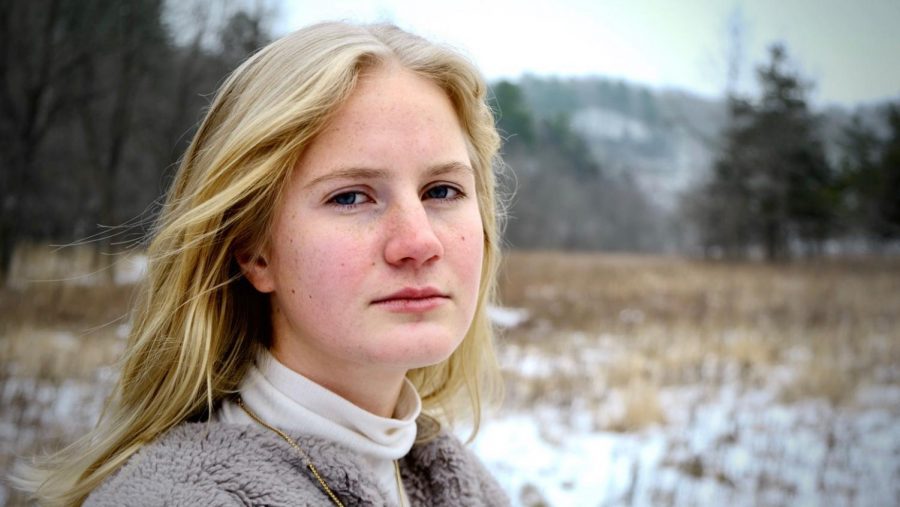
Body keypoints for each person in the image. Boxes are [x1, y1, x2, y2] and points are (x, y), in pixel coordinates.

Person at [15, 21, 508, 506]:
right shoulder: (183, 497)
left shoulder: (455, 484)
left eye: (442, 191)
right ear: (254, 251)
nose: (419, 241)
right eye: (351, 197)